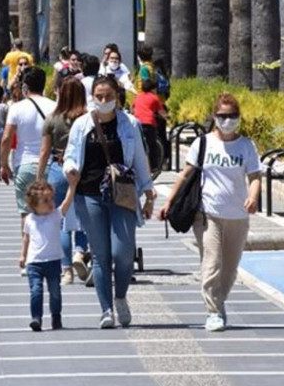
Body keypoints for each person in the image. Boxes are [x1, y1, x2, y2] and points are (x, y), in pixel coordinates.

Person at [160, 92, 261, 332]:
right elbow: (185, 174)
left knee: (230, 268)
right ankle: (213, 311)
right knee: (212, 262)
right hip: (207, 213)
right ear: (215, 117)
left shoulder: (246, 146)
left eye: (233, 115)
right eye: (223, 115)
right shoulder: (202, 143)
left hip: (237, 215)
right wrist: (169, 201)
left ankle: (219, 300)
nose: (228, 120)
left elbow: (255, 176)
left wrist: (253, 197)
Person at [63, 75, 155, 329]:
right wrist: (70, 169)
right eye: (99, 96)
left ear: (117, 97)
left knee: (123, 252)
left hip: (122, 194)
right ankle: (106, 310)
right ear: (92, 96)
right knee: (101, 255)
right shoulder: (82, 125)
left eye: (108, 96)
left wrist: (148, 190)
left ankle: (121, 297)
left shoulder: (129, 124)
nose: (103, 101)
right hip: (89, 195)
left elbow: (139, 157)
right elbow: (70, 156)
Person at [36, 76, 90, 286]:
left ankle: (66, 270)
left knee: (62, 221)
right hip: (83, 169)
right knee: (85, 218)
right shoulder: (87, 118)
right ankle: (80, 252)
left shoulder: (52, 119)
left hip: (58, 169)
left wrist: (40, 177)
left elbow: (44, 151)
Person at [0, 66, 57, 231]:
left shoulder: (16, 108)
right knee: (50, 211)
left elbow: (6, 138)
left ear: (25, 86)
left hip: (24, 164)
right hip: (49, 164)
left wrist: (4, 165)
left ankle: (28, 251)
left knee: (26, 213)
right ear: (44, 85)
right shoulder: (54, 106)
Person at [20, 180, 77, 331]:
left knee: (55, 292)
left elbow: (66, 203)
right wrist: (22, 256)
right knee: (36, 290)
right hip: (34, 262)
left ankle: (56, 317)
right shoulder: (29, 220)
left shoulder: (56, 215)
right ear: (34, 204)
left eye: (51, 198)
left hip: (53, 261)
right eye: (45, 200)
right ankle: (36, 318)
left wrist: (72, 186)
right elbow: (26, 238)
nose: (50, 203)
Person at [133, 77, 169, 173]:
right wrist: (168, 117)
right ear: (153, 88)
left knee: (139, 145)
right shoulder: (154, 98)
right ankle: (153, 167)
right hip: (148, 123)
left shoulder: (138, 97)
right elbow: (161, 112)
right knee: (151, 145)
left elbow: (133, 107)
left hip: (137, 123)